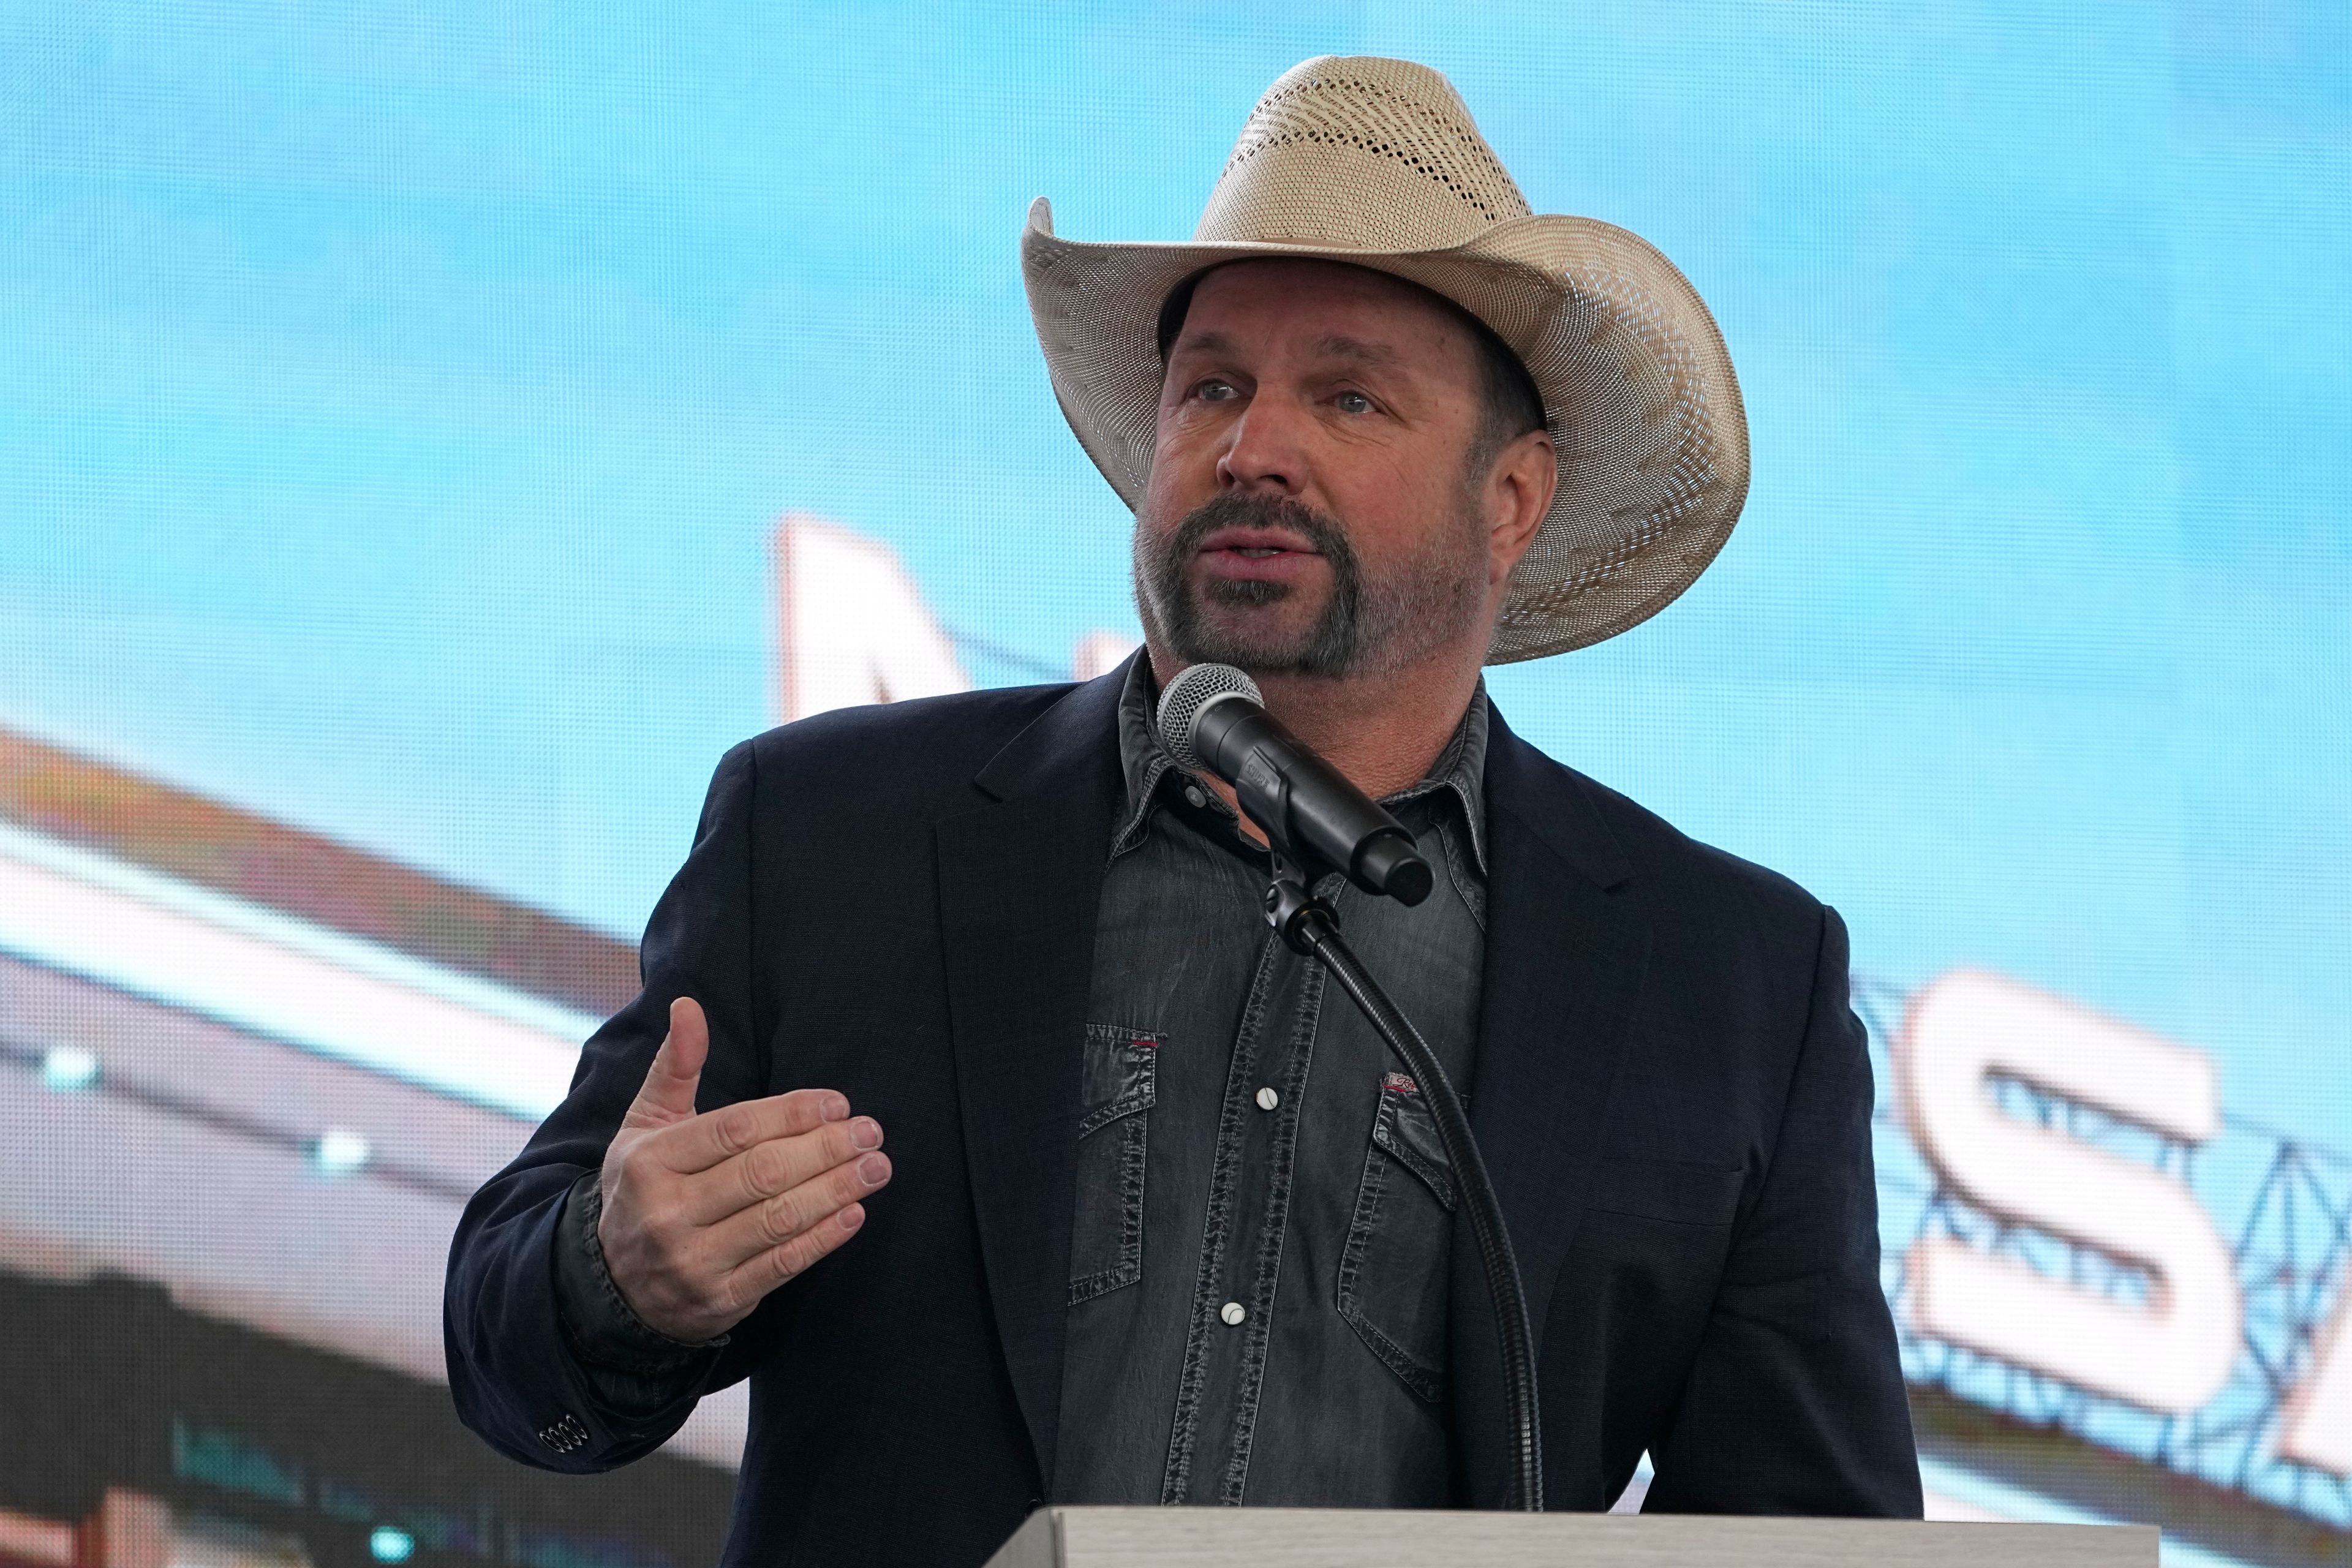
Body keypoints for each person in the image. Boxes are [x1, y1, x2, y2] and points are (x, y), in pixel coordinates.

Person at [444, 55, 1921, 1567]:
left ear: (1515, 498)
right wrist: (613, 1279)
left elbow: (1814, 1535)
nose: (1252, 445)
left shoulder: (1728, 987)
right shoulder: (836, 834)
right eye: (1213, 384)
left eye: (1348, 395)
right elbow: (511, 1346)